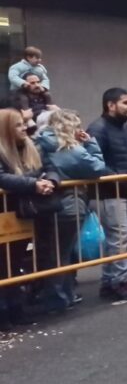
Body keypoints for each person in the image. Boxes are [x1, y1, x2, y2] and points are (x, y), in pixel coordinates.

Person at [35, 109, 111, 311]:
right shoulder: (70, 150)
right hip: (69, 204)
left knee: (53, 252)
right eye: (77, 125)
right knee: (62, 253)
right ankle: (59, 298)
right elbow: (97, 168)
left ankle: (58, 295)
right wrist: (91, 144)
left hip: (45, 205)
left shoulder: (40, 143)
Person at [0, 109, 58, 329]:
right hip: (6, 213)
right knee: (3, 265)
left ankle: (16, 308)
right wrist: (33, 184)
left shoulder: (31, 146)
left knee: (15, 262)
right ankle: (4, 312)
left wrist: (50, 181)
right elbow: (2, 177)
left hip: (23, 213)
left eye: (23, 124)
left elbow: (50, 167)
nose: (24, 128)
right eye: (18, 125)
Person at [87, 88, 127, 300]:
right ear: (111, 105)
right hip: (107, 192)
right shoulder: (98, 129)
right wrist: (117, 177)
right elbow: (94, 162)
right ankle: (120, 281)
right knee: (119, 236)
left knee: (117, 237)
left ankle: (110, 282)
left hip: (123, 190)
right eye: (126, 102)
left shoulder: (125, 129)